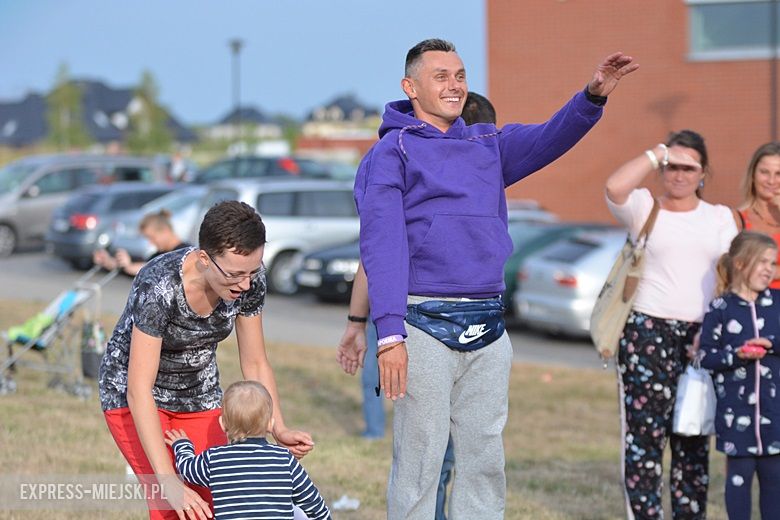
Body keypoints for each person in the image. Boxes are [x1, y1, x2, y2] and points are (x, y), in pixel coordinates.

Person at [348, 38, 637, 519]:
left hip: (488, 322)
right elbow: (381, 245)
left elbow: (550, 136)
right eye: (440, 76)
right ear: (410, 87)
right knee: (420, 460)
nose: (454, 84)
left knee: (484, 458)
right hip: (421, 323)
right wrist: (388, 332)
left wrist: (593, 95)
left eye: (460, 75)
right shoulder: (390, 152)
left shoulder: (487, 144)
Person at [336, 91, 497, 520]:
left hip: (471, 327)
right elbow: (376, 253)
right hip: (410, 320)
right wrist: (365, 326)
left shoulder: (477, 185)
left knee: (460, 450)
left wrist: (356, 322)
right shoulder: (397, 159)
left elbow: (368, 260)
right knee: (427, 452)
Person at [98, 201, 314, 520]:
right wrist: (169, 480)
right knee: (171, 505)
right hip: (134, 396)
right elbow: (138, 388)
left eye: (252, 272)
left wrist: (277, 427)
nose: (244, 284)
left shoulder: (249, 281)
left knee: (218, 496)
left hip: (199, 394)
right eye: (235, 274)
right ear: (204, 259)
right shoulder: (158, 285)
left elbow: (255, 362)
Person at [604, 130, 740, 519]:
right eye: (671, 167)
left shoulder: (718, 219)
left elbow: (730, 279)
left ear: (703, 173)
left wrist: (714, 328)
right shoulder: (645, 207)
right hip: (646, 334)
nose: (678, 174)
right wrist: (654, 153)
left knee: (692, 436)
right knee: (644, 439)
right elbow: (615, 187)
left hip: (701, 336)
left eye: (688, 167)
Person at [699, 231, 780, 520]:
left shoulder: (778, 304)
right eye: (763, 262)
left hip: (775, 418)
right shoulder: (721, 309)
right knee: (739, 480)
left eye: (773, 263)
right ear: (742, 264)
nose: (770, 269)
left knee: (775, 483)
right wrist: (736, 355)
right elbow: (705, 357)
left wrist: (772, 344)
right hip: (736, 419)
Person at [165, 380, 331, 520]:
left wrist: (182, 445)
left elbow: (187, 469)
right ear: (270, 424)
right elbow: (314, 504)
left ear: (223, 424)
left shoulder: (215, 459)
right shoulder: (285, 460)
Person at [93, 209, 190, 276]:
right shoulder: (157, 255)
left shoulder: (186, 253)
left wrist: (129, 266)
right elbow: (136, 269)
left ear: (164, 231)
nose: (150, 243)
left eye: (152, 237)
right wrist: (108, 261)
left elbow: (154, 270)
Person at [737, 142, 780, 287]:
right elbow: (734, 269)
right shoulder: (737, 219)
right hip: (755, 306)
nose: (771, 181)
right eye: (764, 172)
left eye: (778, 174)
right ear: (753, 175)